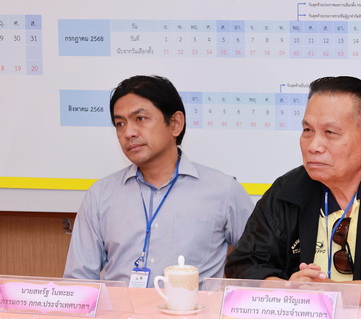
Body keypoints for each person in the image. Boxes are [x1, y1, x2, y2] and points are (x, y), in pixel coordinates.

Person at [225, 76, 361, 306]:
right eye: (307, 130)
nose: (313, 146)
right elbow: (244, 265)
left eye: (330, 132)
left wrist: (336, 293)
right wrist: (288, 289)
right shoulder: (287, 190)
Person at [64, 75, 254, 287]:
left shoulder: (223, 190)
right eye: (120, 123)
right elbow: (78, 282)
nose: (128, 133)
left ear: (175, 123)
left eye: (140, 119)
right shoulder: (100, 195)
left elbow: (258, 263)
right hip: (120, 309)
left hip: (192, 309)